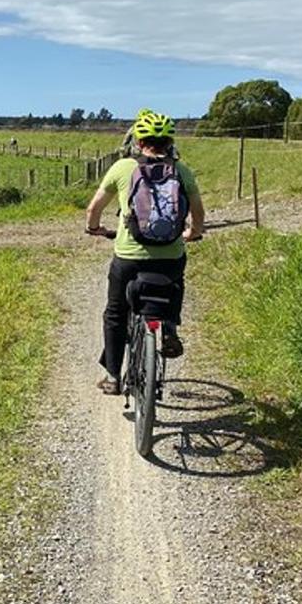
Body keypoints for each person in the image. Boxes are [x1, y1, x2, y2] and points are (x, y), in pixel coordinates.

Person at [85, 112, 204, 395]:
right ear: (169, 141)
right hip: (170, 256)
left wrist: (95, 228)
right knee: (176, 280)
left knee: (115, 312)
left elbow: (94, 209)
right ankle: (170, 329)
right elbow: (198, 213)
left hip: (128, 256)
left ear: (138, 141)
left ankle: (113, 376)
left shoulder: (122, 167)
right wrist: (192, 232)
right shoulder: (181, 170)